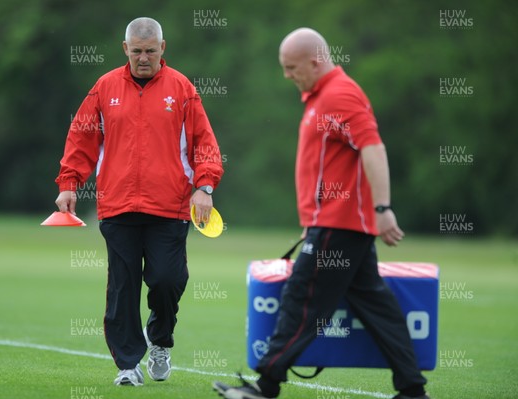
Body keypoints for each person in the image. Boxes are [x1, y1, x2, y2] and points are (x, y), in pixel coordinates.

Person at [213, 28, 429, 399]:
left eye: (291, 67)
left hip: (338, 225)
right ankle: (412, 390)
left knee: (302, 297)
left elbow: (373, 149)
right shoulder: (320, 96)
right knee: (376, 306)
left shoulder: (341, 95)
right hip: (335, 224)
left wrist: (383, 209)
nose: (286, 75)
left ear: (315, 62)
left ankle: (265, 388)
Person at [55, 17, 223, 387]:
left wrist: (204, 185)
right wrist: (70, 183)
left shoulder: (182, 89)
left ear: (163, 49)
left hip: (172, 207)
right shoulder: (104, 88)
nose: (143, 58)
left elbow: (205, 144)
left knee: (167, 281)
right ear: (125, 49)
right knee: (123, 287)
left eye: (150, 51)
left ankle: (160, 341)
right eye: (136, 52)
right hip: (117, 206)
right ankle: (128, 365)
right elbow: (82, 137)